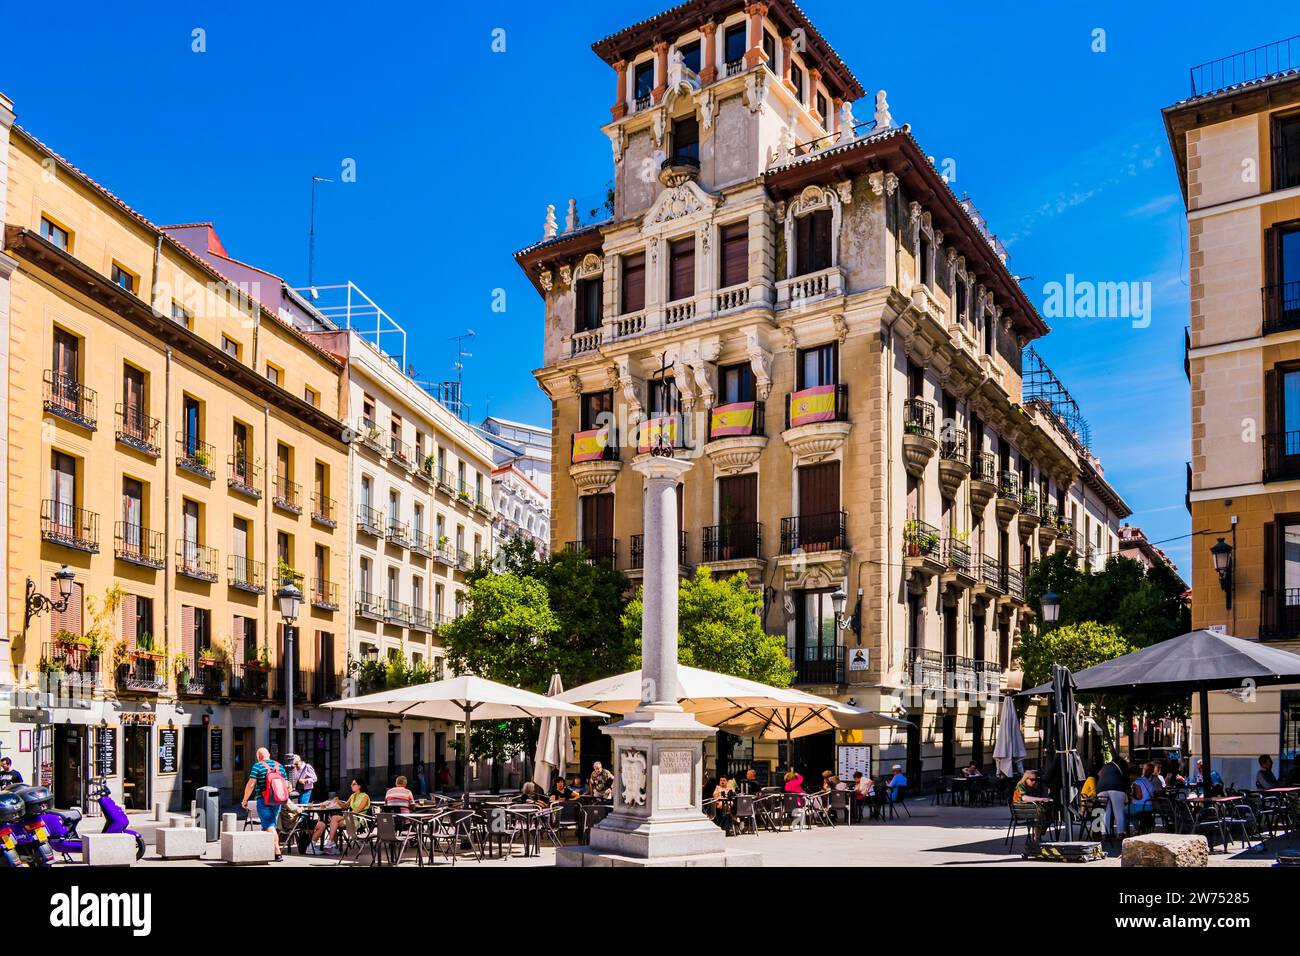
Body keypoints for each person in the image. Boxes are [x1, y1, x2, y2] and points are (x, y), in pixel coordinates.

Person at [241, 747, 290, 862]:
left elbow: (251, 784)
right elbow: (288, 785)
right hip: (277, 801)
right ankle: (265, 851)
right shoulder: (280, 766)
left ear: (258, 757)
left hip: (263, 800)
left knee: (269, 826)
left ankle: (277, 853)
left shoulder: (258, 766)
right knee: (270, 825)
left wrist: (245, 800)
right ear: (268, 755)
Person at [309, 778, 371, 854]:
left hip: (358, 819)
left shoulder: (365, 796)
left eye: (354, 784)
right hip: (350, 817)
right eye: (351, 784)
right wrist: (338, 801)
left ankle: (331, 843)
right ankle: (332, 846)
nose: (351, 785)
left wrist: (345, 816)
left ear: (360, 786)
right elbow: (345, 806)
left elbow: (357, 811)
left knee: (334, 819)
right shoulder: (353, 795)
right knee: (333, 822)